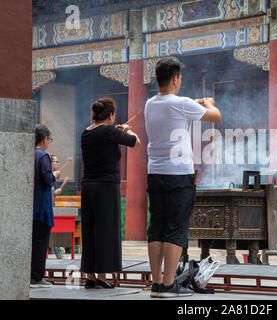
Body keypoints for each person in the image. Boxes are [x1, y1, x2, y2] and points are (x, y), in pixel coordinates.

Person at [144, 57, 221, 298]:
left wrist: (194, 104)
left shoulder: (150, 104)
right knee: (176, 228)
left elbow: (176, 109)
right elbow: (215, 116)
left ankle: (156, 282)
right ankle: (168, 285)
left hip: (155, 172)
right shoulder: (183, 103)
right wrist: (208, 103)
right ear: (176, 79)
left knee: (156, 226)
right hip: (179, 174)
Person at [80, 97, 141, 289]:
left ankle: (90, 275)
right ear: (110, 115)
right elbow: (135, 142)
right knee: (106, 230)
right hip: (106, 186)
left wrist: (116, 130)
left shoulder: (86, 132)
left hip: (88, 185)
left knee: (90, 229)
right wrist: (127, 129)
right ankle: (103, 276)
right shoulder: (109, 131)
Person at [31, 124, 60, 288]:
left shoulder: (29, 154)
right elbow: (48, 180)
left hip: (30, 207)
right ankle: (37, 277)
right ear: (44, 139)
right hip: (41, 207)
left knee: (32, 243)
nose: (50, 142)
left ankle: (30, 275)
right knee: (41, 243)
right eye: (50, 139)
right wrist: (54, 175)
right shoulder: (43, 156)